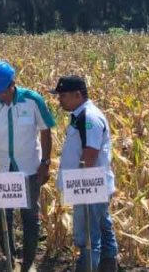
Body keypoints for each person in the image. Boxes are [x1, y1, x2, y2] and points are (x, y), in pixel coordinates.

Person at [0, 60, 55, 272]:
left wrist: (45, 162)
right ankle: (10, 260)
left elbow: (46, 131)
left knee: (30, 215)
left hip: (29, 166)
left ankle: (29, 262)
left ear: (12, 84)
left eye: (1, 91)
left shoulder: (32, 100)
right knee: (3, 215)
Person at [51, 75, 117, 272]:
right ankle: (108, 266)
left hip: (89, 186)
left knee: (88, 236)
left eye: (63, 95)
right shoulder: (81, 116)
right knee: (103, 227)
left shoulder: (89, 118)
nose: (59, 100)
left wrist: (80, 186)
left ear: (77, 95)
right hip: (92, 185)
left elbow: (90, 153)